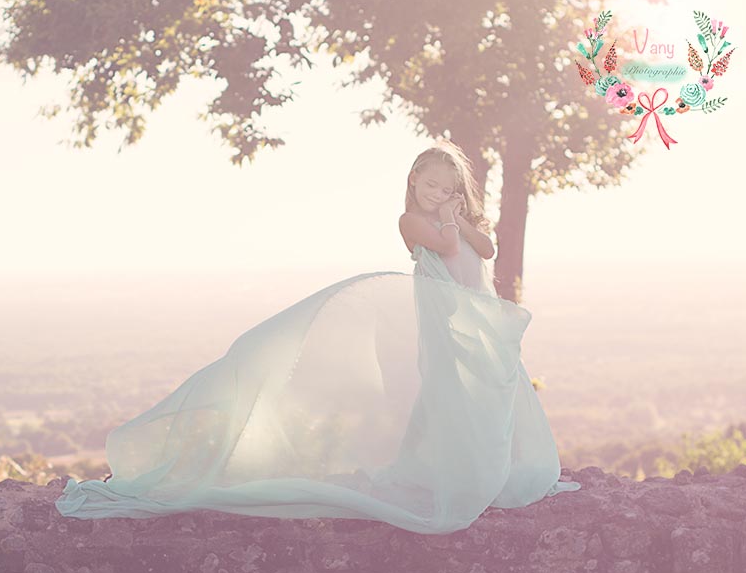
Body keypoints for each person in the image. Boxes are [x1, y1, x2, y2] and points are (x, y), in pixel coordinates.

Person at [54, 139, 581, 534]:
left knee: (488, 400)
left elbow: (484, 251)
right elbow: (444, 249)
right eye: (431, 186)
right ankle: (465, 481)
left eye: (449, 189)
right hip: (445, 329)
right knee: (458, 399)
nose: (439, 194)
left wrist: (462, 220)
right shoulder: (411, 221)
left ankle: (481, 473)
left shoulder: (455, 219)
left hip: (477, 323)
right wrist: (447, 219)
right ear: (414, 179)